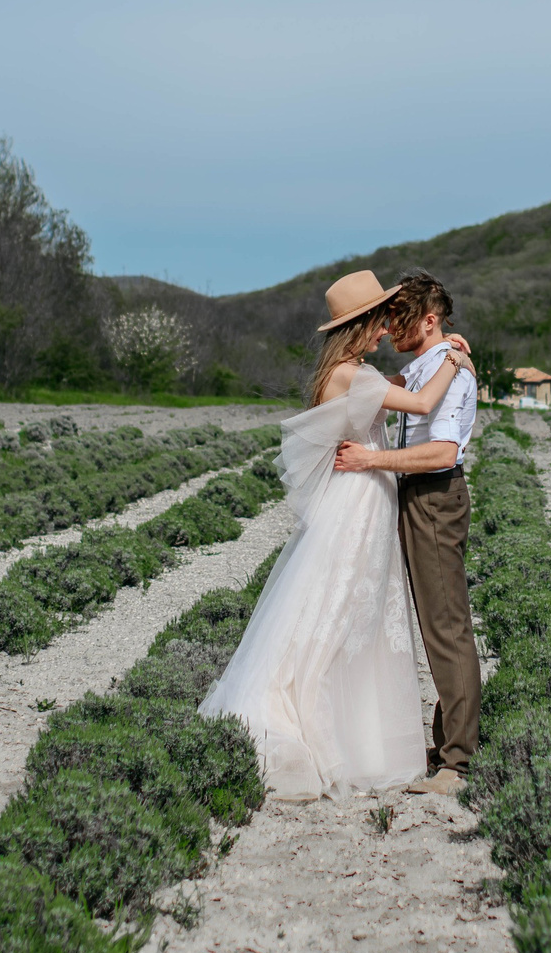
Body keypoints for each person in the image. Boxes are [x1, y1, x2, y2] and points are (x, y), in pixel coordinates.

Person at [197, 270, 473, 801]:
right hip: (361, 500)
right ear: (361, 324)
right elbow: (417, 402)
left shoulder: (347, 373)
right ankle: (337, 730)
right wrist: (457, 360)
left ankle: (363, 729)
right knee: (345, 613)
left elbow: (404, 387)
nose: (385, 332)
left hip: (361, 497)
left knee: (341, 612)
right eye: (378, 322)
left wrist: (441, 359)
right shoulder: (354, 374)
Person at [331, 273, 479, 796]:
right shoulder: (425, 368)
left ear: (430, 321)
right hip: (417, 496)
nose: (390, 328)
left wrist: (372, 460)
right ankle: (445, 747)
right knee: (435, 625)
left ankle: (458, 764)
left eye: (400, 319)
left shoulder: (450, 372)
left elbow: (442, 452)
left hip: (436, 496)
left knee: (446, 626)